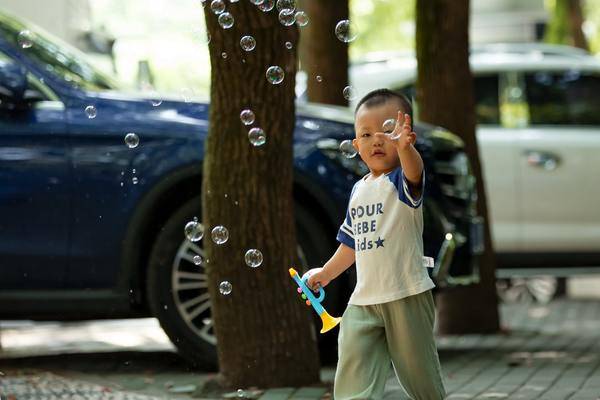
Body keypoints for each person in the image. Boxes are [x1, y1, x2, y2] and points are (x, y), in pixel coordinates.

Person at [307, 89, 446, 400]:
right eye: (366, 134)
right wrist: (326, 274)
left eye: (387, 130)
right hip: (365, 299)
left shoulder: (401, 182)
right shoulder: (359, 190)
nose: (377, 140)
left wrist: (407, 150)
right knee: (353, 361)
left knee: (419, 377)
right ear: (356, 145)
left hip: (405, 294)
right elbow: (350, 243)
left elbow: (414, 171)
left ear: (404, 134)